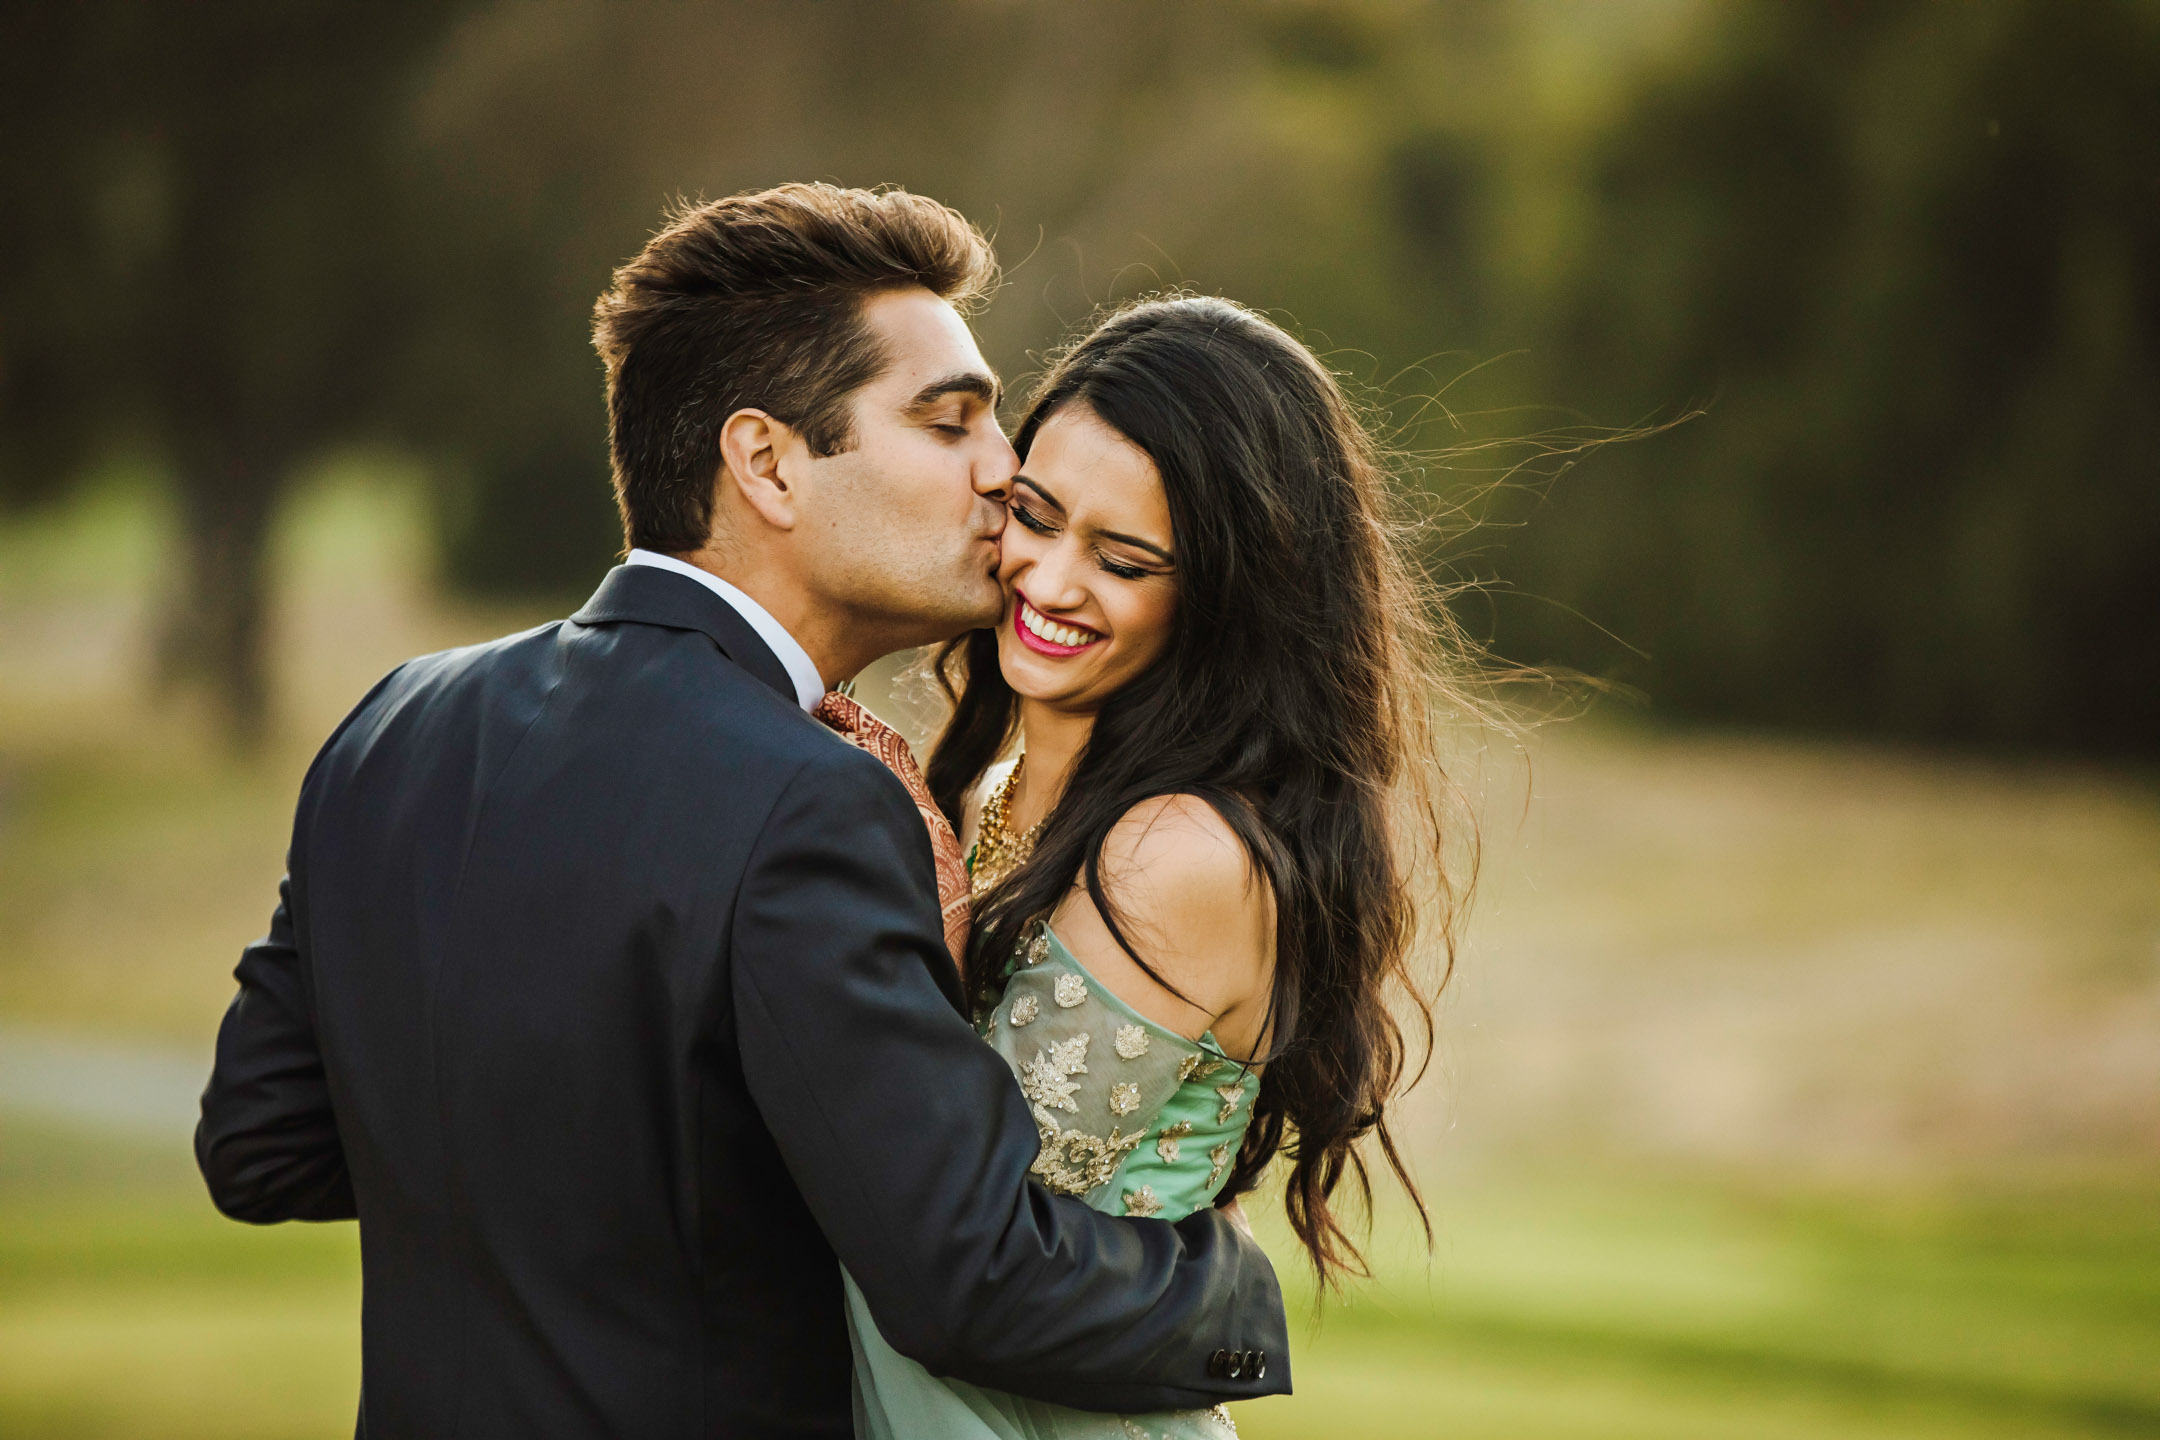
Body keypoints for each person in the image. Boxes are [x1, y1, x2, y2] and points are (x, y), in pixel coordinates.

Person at [194, 185, 1288, 1440]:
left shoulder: (397, 721)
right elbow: (968, 1276)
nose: (1006, 471)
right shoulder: (813, 803)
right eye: (951, 423)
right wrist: (1240, 1303)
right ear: (765, 460)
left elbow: (262, 1147)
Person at [847, 294, 1457, 1439]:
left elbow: (957, 1216)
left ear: (1226, 600)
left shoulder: (1177, 855)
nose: (1050, 580)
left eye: (1121, 559)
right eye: (1036, 513)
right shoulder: (992, 782)